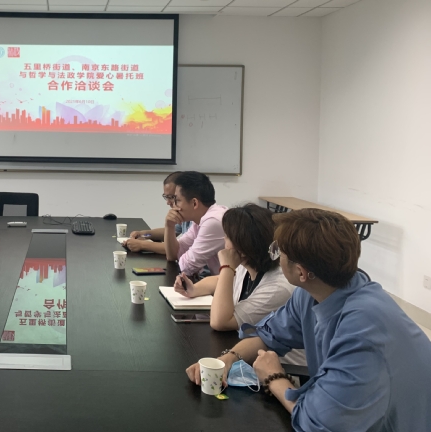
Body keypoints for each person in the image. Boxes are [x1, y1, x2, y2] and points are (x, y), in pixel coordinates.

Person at [186, 209, 431, 432]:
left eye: (278, 251)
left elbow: (316, 422)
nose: (275, 257)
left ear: (301, 272)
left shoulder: (363, 331)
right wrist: (227, 359)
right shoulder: (313, 293)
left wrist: (273, 377)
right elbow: (268, 335)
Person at [174, 204, 296, 332]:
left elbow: (220, 322)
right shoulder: (249, 265)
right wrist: (194, 289)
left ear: (242, 247)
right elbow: (218, 280)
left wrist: (227, 267)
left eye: (227, 236)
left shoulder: (276, 288)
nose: (224, 239)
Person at [164, 171, 227, 277]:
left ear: (194, 203)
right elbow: (173, 255)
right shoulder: (200, 221)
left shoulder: (213, 221)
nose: (174, 206)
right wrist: (169, 226)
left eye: (177, 200)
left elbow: (186, 266)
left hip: (236, 286)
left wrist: (184, 257)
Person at [125, 172, 191, 255]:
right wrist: (143, 234)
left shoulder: (197, 220)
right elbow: (172, 232)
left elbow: (176, 249)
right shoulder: (184, 214)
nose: (168, 202)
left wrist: (142, 245)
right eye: (166, 197)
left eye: (171, 197)